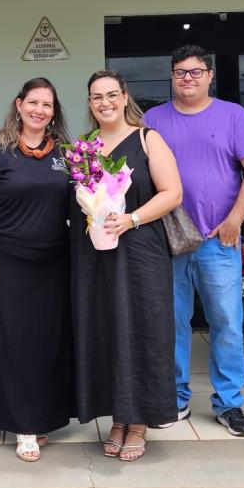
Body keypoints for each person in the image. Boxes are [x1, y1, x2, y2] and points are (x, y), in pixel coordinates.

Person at [144, 45, 244, 437]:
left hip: (219, 239)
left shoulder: (233, 116)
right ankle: (175, 397)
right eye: (180, 72)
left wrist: (234, 220)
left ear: (209, 75)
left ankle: (229, 404)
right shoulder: (152, 119)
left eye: (195, 72)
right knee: (172, 322)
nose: (187, 79)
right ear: (171, 76)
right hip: (167, 239)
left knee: (227, 323)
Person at [71, 71, 182, 461]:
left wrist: (131, 218)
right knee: (106, 330)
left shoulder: (147, 138)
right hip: (96, 256)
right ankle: (118, 417)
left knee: (143, 329)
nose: (104, 102)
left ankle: (139, 422)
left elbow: (172, 192)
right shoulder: (83, 147)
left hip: (140, 251)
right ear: (89, 103)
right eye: (96, 97)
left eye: (111, 95)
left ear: (124, 97)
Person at [0, 77, 73, 462]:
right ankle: (24, 426)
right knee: (13, 343)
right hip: (7, 261)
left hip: (54, 262)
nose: (39, 110)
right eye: (33, 102)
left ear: (53, 111)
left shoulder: (66, 152)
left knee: (48, 342)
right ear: (18, 104)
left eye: (47, 104)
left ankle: (42, 416)